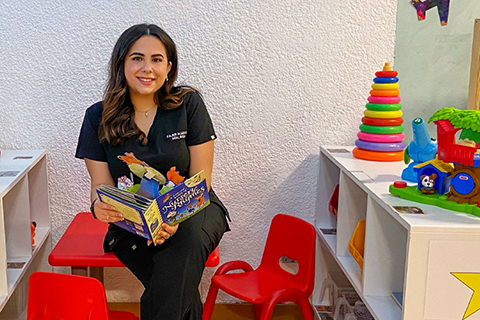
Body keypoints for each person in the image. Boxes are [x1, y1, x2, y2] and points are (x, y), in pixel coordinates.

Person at [75, 23, 230, 320]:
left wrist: (172, 217)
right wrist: (98, 207)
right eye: (137, 58)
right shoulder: (97, 117)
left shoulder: (189, 105)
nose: (147, 68)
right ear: (121, 63)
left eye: (157, 59)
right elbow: (101, 185)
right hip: (132, 223)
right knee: (177, 287)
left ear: (169, 67)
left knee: (187, 244)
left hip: (194, 210)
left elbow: (201, 180)